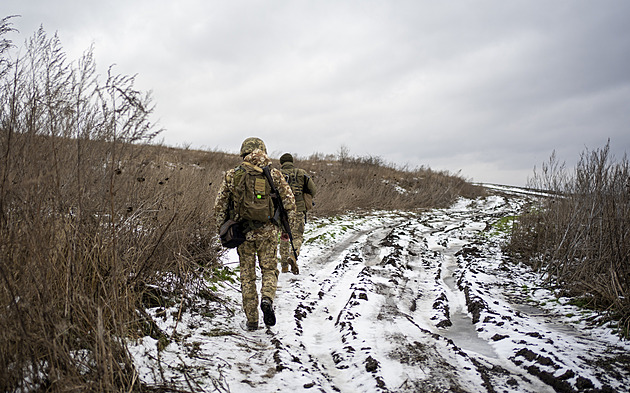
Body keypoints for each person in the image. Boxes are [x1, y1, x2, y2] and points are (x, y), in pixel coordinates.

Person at [214, 137, 298, 331]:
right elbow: (290, 204)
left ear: (243, 152)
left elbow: (218, 207)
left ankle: (252, 319)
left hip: (243, 233)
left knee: (247, 276)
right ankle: (267, 299)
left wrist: (222, 231)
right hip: (268, 233)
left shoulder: (232, 175)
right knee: (269, 270)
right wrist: (287, 230)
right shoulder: (275, 175)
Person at [278, 153, 316, 275]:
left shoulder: (277, 174)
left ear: (281, 163)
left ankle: (284, 265)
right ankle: (293, 256)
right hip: (299, 208)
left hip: (282, 210)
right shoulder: (301, 173)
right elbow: (313, 190)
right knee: (297, 235)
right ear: (292, 162)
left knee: (284, 236)